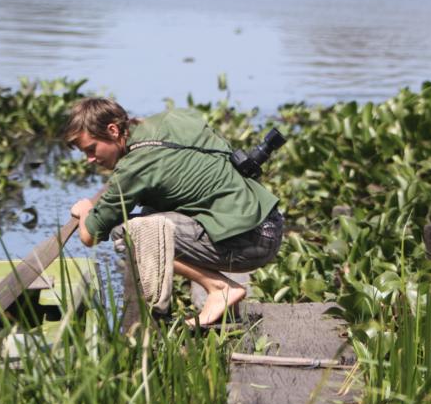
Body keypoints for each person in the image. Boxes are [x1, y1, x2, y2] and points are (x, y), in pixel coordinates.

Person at [65, 97, 283, 327]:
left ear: (113, 130)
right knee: (153, 214)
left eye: (91, 149)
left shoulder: (133, 168)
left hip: (252, 243)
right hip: (270, 223)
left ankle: (218, 288)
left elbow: (90, 236)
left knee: (129, 233)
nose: (89, 159)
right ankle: (228, 307)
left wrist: (86, 209)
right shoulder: (172, 119)